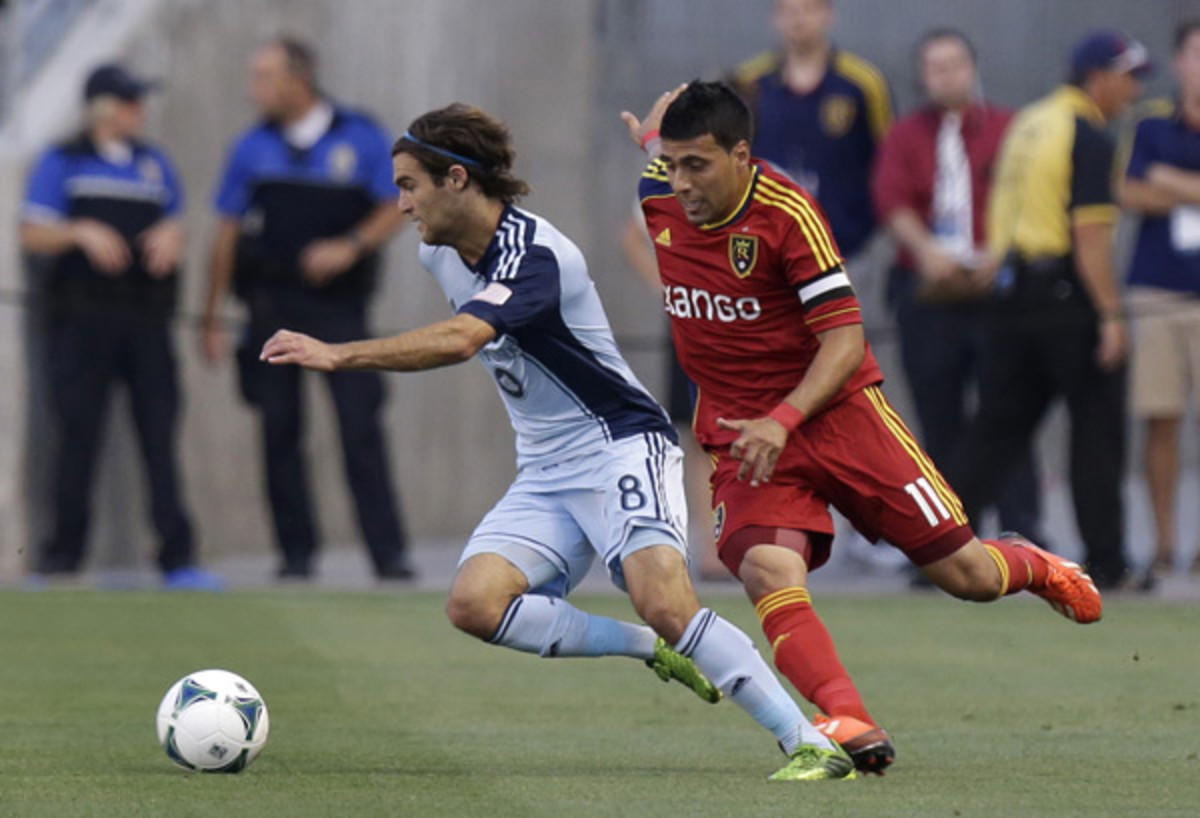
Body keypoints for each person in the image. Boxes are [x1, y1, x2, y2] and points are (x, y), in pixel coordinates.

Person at [260, 102, 857, 782]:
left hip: (619, 443)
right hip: (546, 467)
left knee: (666, 600)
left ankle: (808, 741)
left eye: (408, 185)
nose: (400, 205)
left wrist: (339, 354)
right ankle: (651, 648)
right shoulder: (437, 252)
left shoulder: (536, 256)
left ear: (456, 179)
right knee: (474, 605)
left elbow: (463, 339)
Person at [621, 80, 1104, 776]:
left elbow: (845, 341)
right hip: (745, 436)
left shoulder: (789, 214)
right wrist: (651, 141)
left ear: (742, 155)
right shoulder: (660, 192)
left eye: (697, 165)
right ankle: (849, 719)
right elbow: (661, 159)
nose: (682, 183)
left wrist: (785, 418)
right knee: (765, 567)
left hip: (841, 418)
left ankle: (1034, 564)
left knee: (966, 575)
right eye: (671, 165)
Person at [203, 38, 412, 580]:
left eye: (264, 77)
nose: (254, 90)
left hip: (340, 310)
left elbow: (398, 203)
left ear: (299, 79)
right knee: (279, 430)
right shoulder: (252, 146)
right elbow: (226, 231)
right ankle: (295, 556)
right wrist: (211, 314)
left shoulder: (359, 135)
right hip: (271, 306)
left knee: (359, 426)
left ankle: (388, 555)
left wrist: (352, 245)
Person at [952, 30, 1150, 590]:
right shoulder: (1087, 134)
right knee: (1096, 428)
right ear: (1098, 77)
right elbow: (1090, 236)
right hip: (1067, 292)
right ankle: (1107, 561)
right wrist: (1110, 314)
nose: (1134, 90)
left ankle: (938, 550)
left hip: (1014, 292)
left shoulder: (1029, 122)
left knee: (994, 429)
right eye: (1128, 77)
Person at [19, 64, 220, 589]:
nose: (140, 111)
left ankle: (178, 561)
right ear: (103, 108)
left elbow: (176, 220)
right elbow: (32, 232)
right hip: (81, 324)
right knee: (76, 438)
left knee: (159, 438)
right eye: (131, 102)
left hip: (146, 322)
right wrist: (80, 232)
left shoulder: (154, 164)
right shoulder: (63, 161)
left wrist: (172, 236)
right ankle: (61, 561)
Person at [872, 29, 1042, 543]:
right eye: (935, 67)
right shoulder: (906, 135)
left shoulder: (1009, 128)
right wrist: (926, 251)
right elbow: (891, 199)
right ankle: (950, 539)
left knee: (1007, 409)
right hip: (930, 291)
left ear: (973, 67)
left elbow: (1030, 195)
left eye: (955, 64)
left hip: (996, 289)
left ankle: (1021, 532)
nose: (946, 75)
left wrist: (1002, 249)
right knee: (938, 415)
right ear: (922, 75)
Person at [1118, 18, 1200, 581]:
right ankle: (1165, 542)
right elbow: (1127, 190)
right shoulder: (1150, 121)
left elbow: (1155, 184)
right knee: (1161, 418)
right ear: (1179, 61)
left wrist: (1170, 181)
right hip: (1158, 290)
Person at [729, 0, 891, 265]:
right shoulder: (749, 82)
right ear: (775, 17)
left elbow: (889, 160)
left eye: (809, 8)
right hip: (768, 249)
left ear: (829, 15)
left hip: (848, 249)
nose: (799, 18)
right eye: (789, 10)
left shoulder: (863, 83)